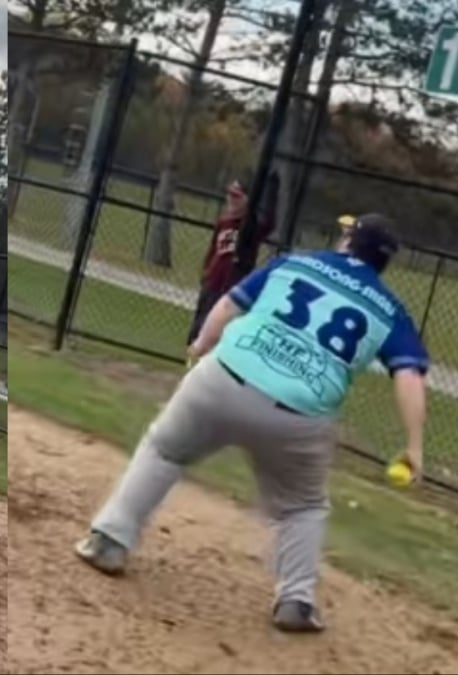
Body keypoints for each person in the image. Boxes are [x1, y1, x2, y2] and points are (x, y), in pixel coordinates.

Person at [74, 213, 430, 633]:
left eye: (345, 232)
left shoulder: (294, 263)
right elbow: (409, 376)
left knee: (164, 450)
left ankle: (109, 542)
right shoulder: (390, 309)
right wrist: (414, 446)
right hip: (299, 415)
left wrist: (201, 345)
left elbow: (228, 305)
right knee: (303, 507)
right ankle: (295, 601)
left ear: (350, 242)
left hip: (223, 377)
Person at [187, 174, 278, 346]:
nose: (231, 200)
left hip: (233, 286)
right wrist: (206, 273)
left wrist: (271, 189)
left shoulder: (251, 227)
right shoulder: (224, 222)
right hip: (213, 282)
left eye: (236, 196)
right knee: (200, 326)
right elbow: (213, 250)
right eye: (229, 194)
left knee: (222, 329)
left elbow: (269, 223)